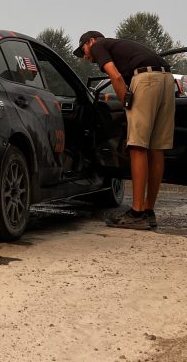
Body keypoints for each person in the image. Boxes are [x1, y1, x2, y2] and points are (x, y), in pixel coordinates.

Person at [73, 30, 175, 230]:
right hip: (166, 79)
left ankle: (137, 213)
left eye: (83, 50)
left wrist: (126, 105)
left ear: (91, 41)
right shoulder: (122, 47)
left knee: (137, 146)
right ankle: (148, 211)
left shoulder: (99, 45)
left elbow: (116, 76)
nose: (85, 56)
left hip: (146, 80)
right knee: (156, 149)